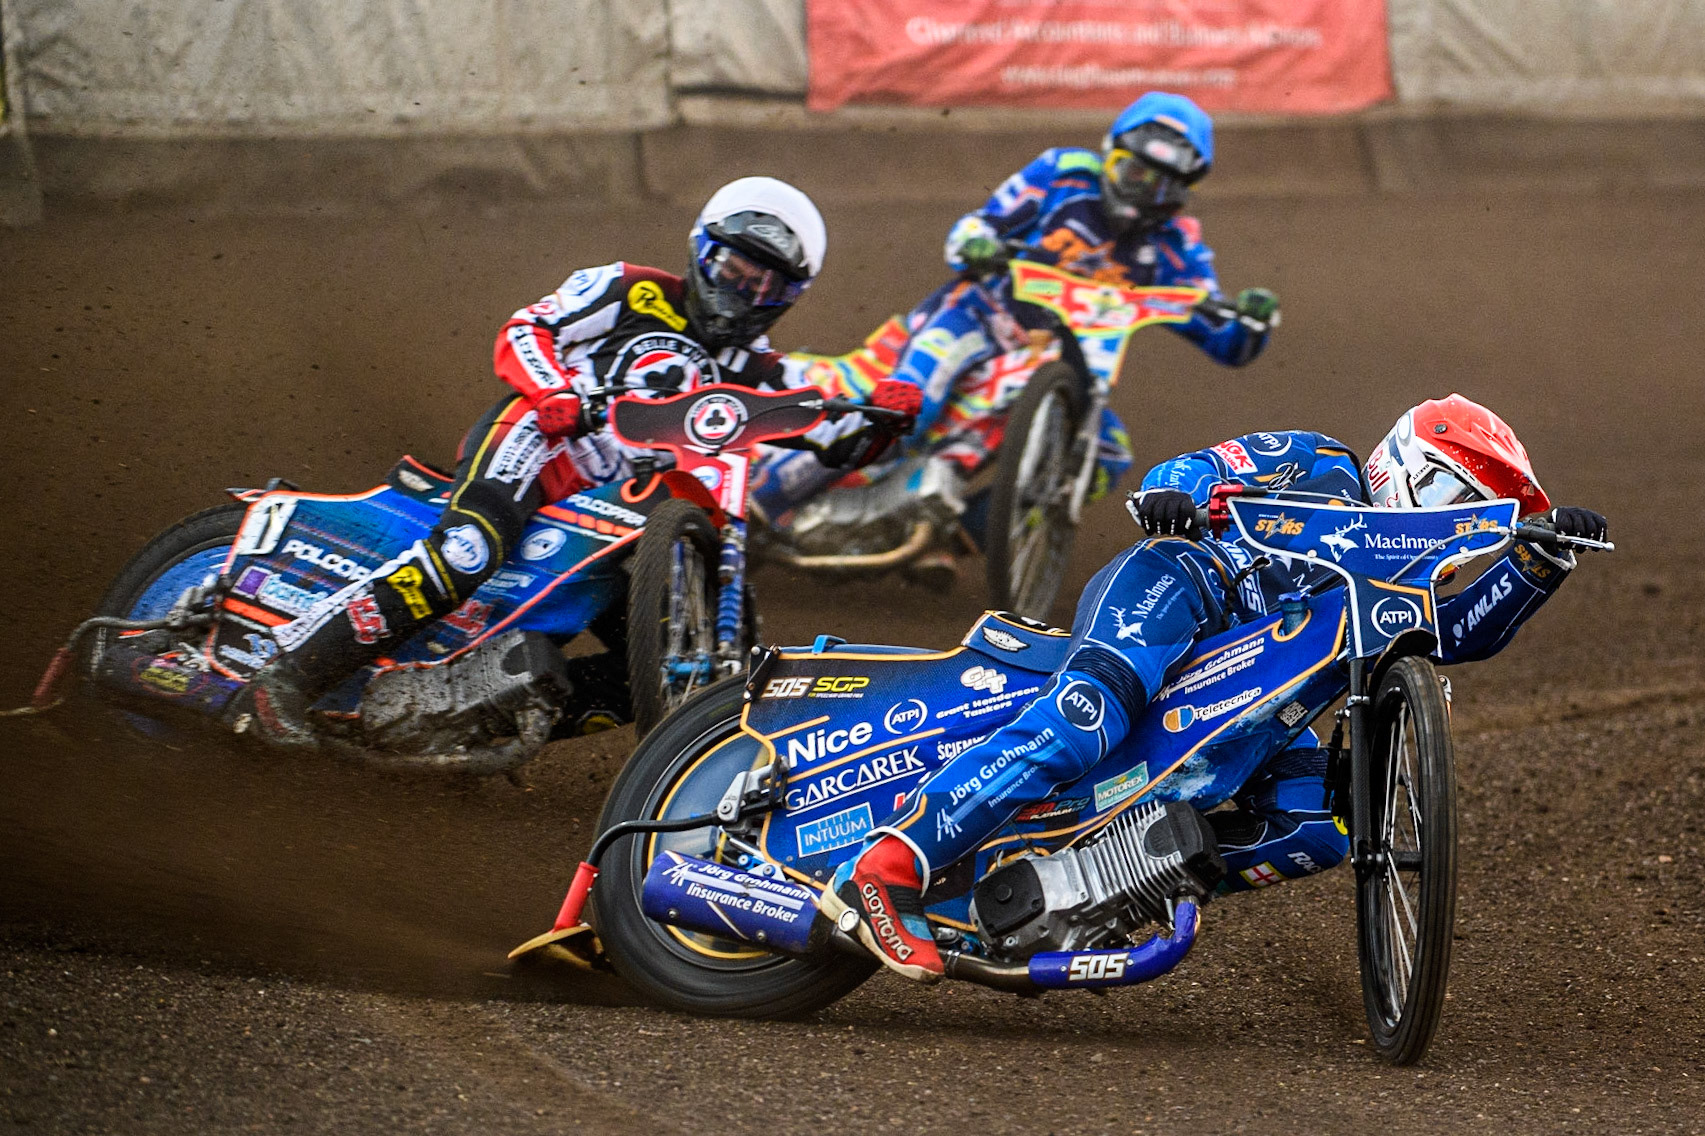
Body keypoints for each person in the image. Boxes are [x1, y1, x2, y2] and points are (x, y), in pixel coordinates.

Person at [823, 394, 1608, 982]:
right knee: (1086, 715)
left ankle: (1087, 890)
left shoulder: (1402, 588)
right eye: (1456, 502)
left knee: (1320, 824)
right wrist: (1178, 496)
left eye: (1478, 521)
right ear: (1407, 468)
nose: (1458, 531)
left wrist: (1538, 562)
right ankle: (888, 868)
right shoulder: (1320, 461)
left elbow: (1462, 633)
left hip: (1262, 711)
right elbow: (1200, 468)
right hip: (1186, 591)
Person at [235, 176, 923, 746]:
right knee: (469, 550)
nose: (741, 292)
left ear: (789, 296)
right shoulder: (630, 291)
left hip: (609, 513)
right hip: (538, 443)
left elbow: (823, 439)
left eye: (764, 286)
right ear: (699, 252)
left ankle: (478, 723)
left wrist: (881, 422)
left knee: (639, 673)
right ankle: (283, 680)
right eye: (730, 270)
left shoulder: (756, 369)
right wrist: (555, 392)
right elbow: (526, 328)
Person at [749, 91, 1280, 571]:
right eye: (1135, 172)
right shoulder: (1064, 173)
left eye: (1164, 186)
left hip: (1061, 363)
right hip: (977, 318)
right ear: (1110, 152)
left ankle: (956, 534)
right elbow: (976, 226)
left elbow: (1221, 333)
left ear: (1183, 192)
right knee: (911, 407)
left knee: (1108, 453)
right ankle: (761, 502)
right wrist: (978, 245)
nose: (1144, 193)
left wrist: (1250, 323)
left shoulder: (1176, 243)